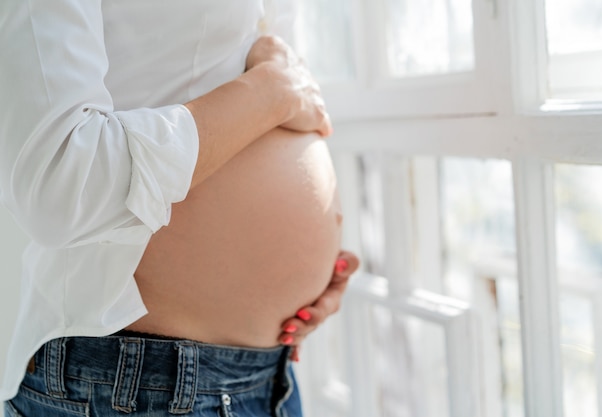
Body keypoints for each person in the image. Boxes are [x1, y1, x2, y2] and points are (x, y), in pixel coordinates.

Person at [0, 1, 359, 416]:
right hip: (136, 382)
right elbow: (59, 184)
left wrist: (307, 264)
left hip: (270, 372)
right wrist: (274, 92)